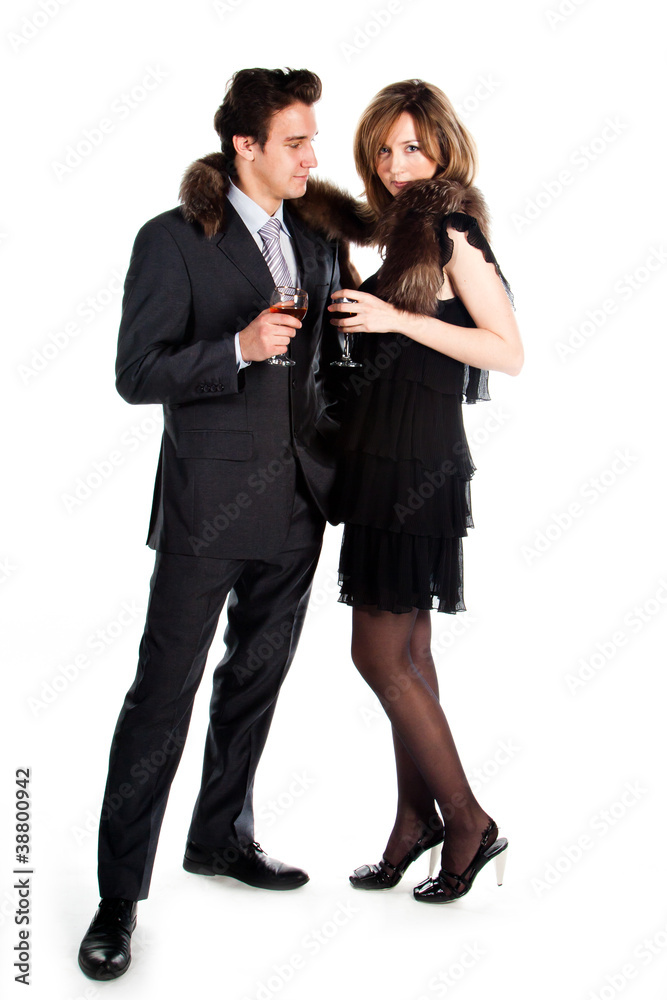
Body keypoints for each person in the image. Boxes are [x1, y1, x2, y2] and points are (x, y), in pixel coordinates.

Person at [78, 67, 346, 980]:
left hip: (301, 505)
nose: (311, 157)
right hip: (206, 509)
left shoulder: (314, 239)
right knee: (163, 696)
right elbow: (136, 372)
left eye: (313, 140)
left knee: (252, 686)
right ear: (245, 146)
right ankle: (118, 897)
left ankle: (220, 837)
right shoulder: (171, 239)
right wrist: (235, 346)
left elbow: (327, 367)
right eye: (295, 142)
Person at [303, 79, 523, 903]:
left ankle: (467, 821)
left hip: (413, 468)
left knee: (375, 654)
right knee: (410, 655)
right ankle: (411, 820)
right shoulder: (402, 236)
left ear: (441, 151)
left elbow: (505, 350)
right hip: (382, 462)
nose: (396, 165)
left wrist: (394, 320)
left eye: (411, 149)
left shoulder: (450, 225)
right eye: (383, 150)